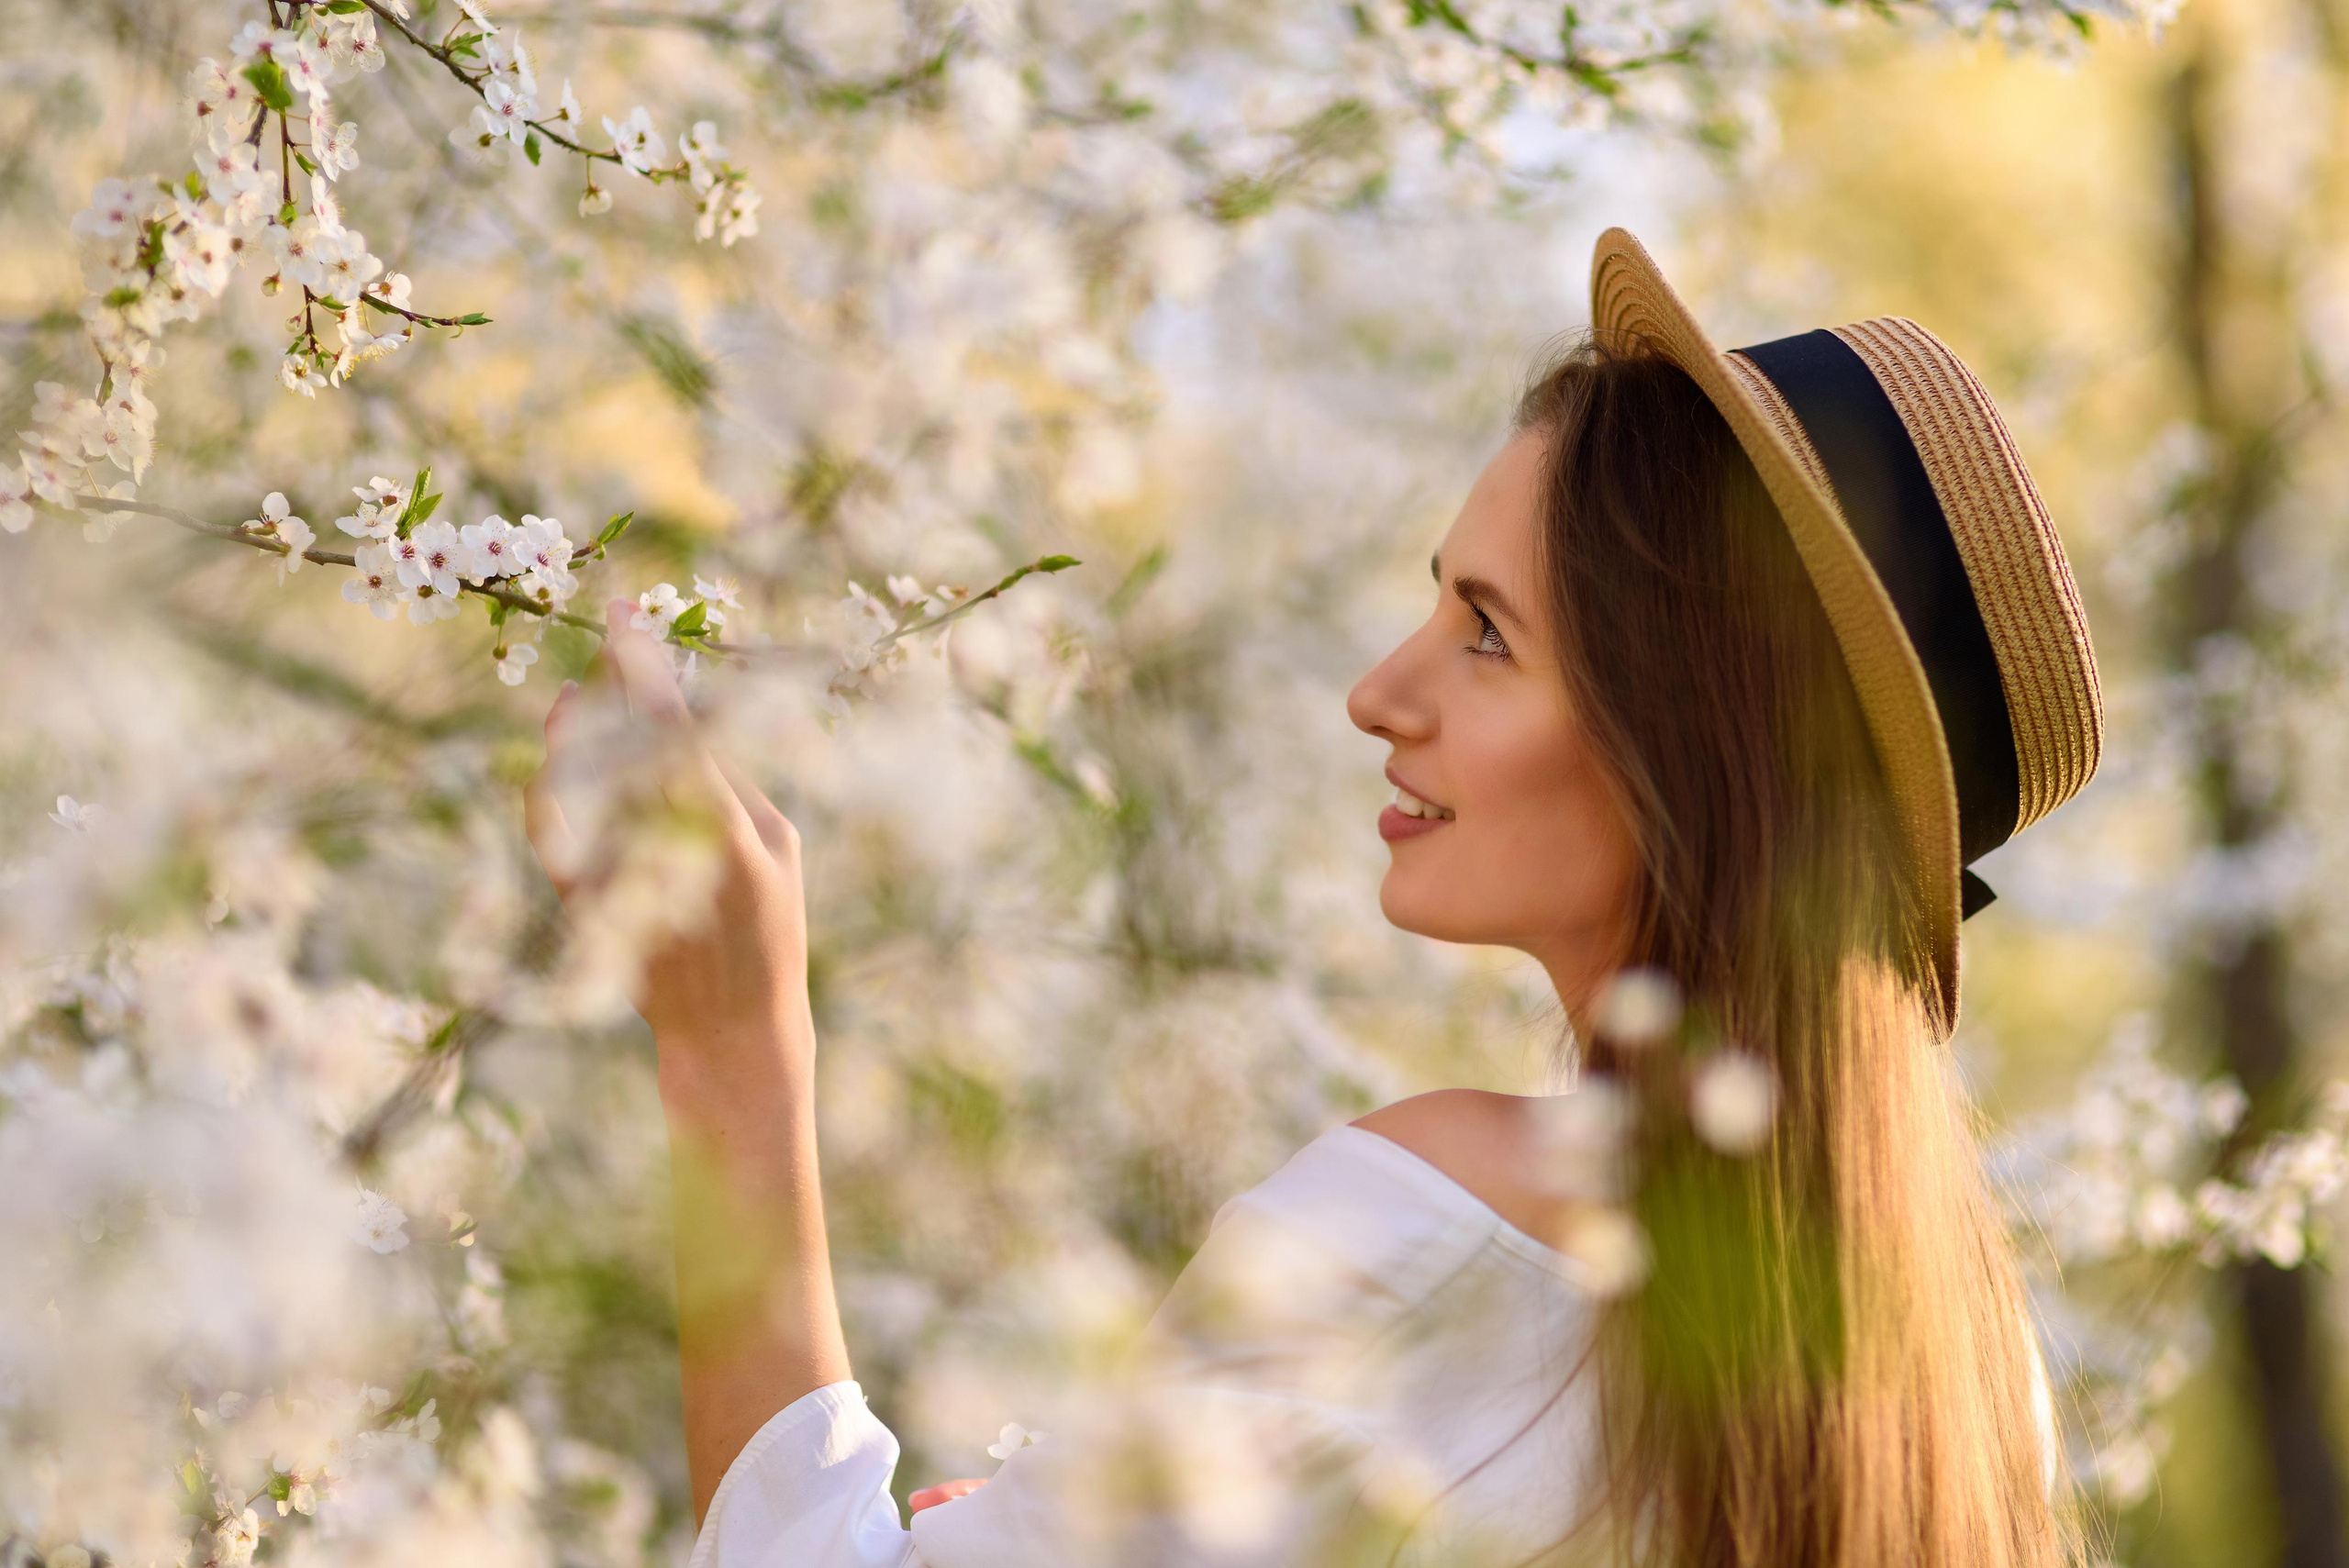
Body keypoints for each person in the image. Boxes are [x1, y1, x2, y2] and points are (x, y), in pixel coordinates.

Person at [525, 228, 2099, 1567]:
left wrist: (730, 1040)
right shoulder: (1971, 1386)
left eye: (1487, 633)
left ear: (1693, 743)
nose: (1378, 691)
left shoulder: (1439, 1225)